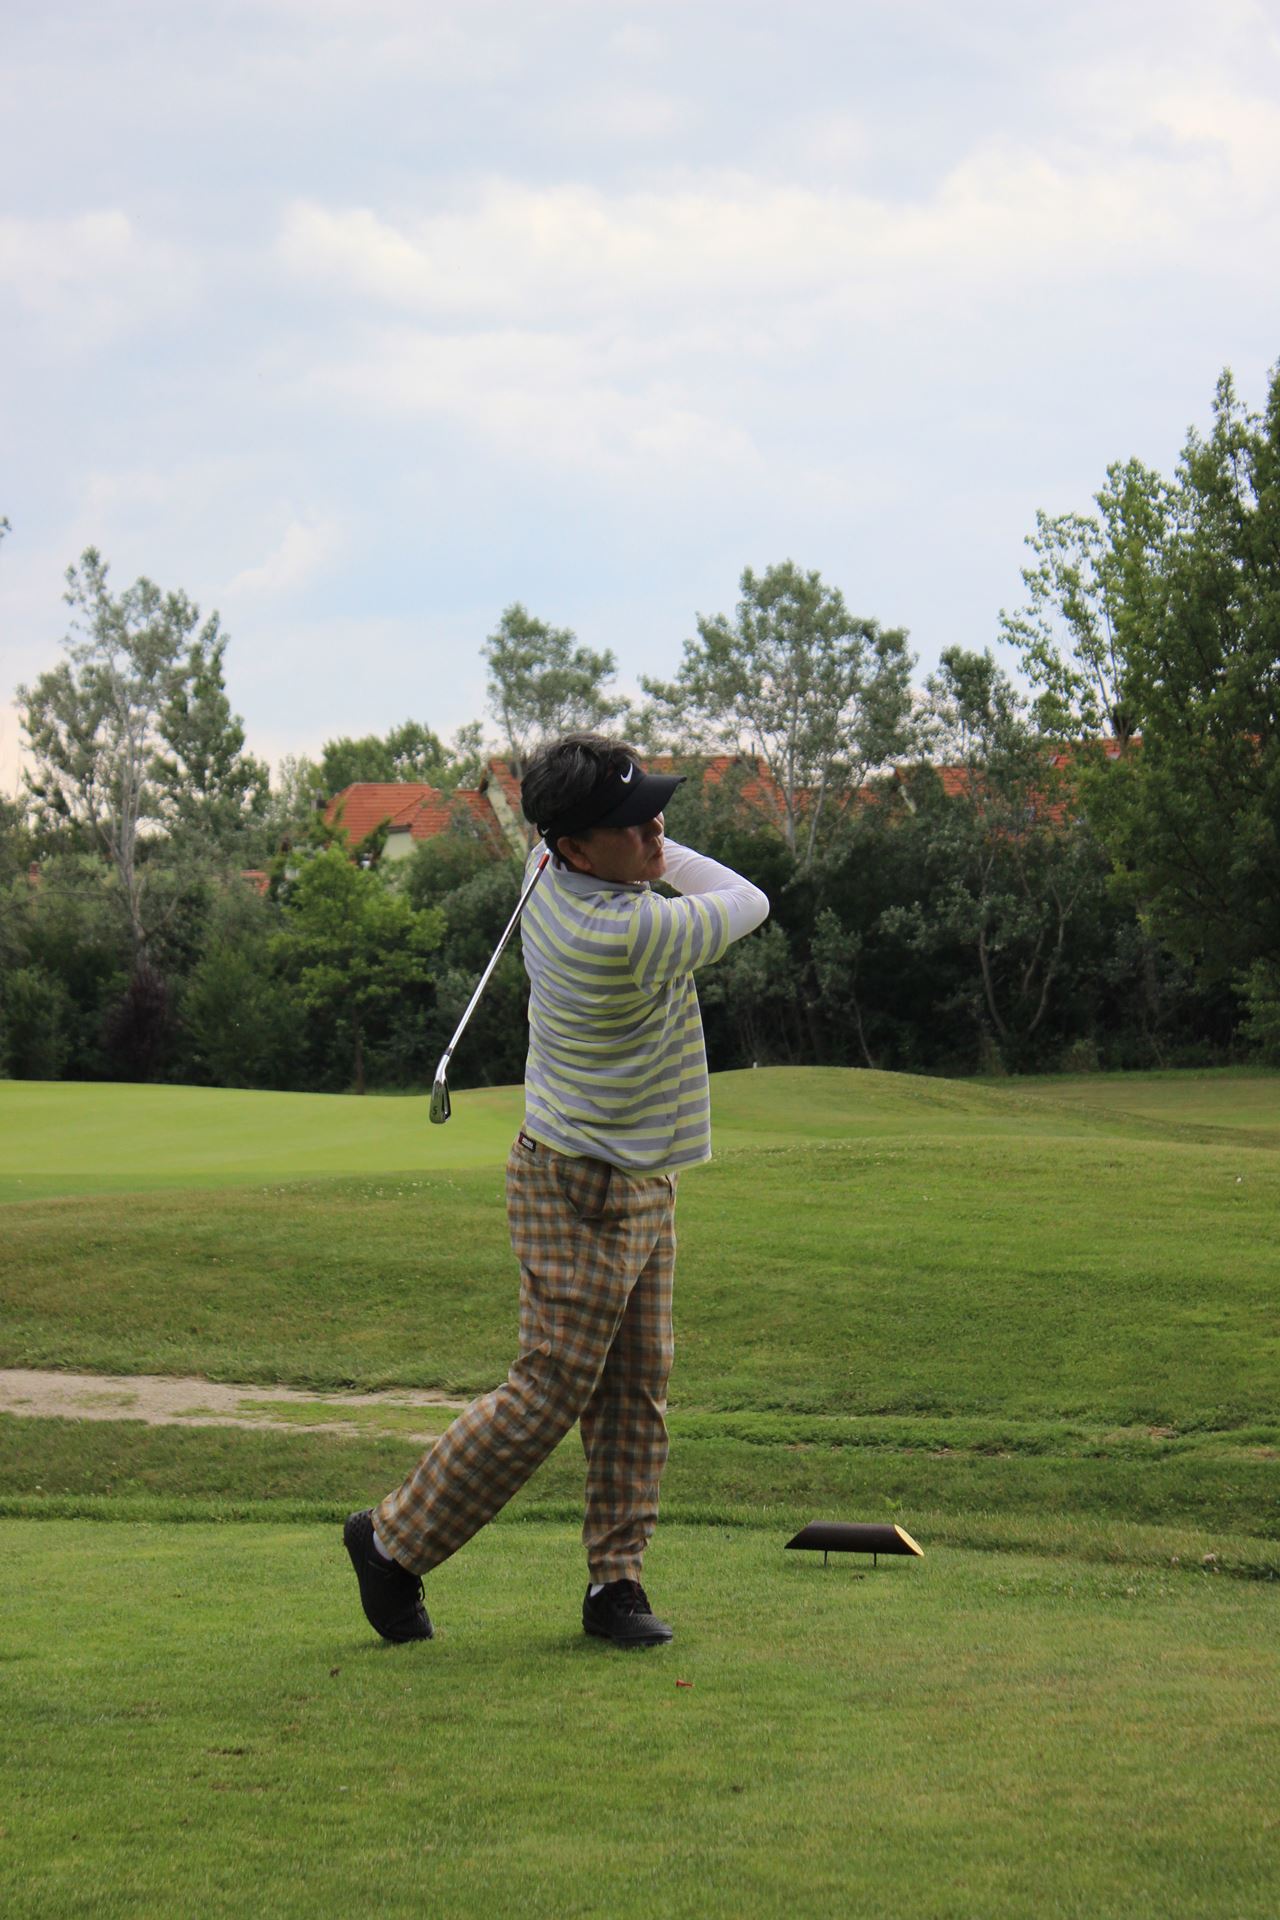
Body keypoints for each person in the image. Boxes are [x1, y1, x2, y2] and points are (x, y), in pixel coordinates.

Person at [343, 733, 770, 1647]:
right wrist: (660, 860)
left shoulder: (547, 867)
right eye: (631, 822)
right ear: (575, 846)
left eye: (654, 811)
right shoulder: (626, 934)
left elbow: (629, 851)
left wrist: (636, 842)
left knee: (636, 1389)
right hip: (580, 1184)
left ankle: (616, 1583)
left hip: (639, 1175)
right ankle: (388, 1543)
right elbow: (749, 899)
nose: (656, 830)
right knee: (548, 1392)